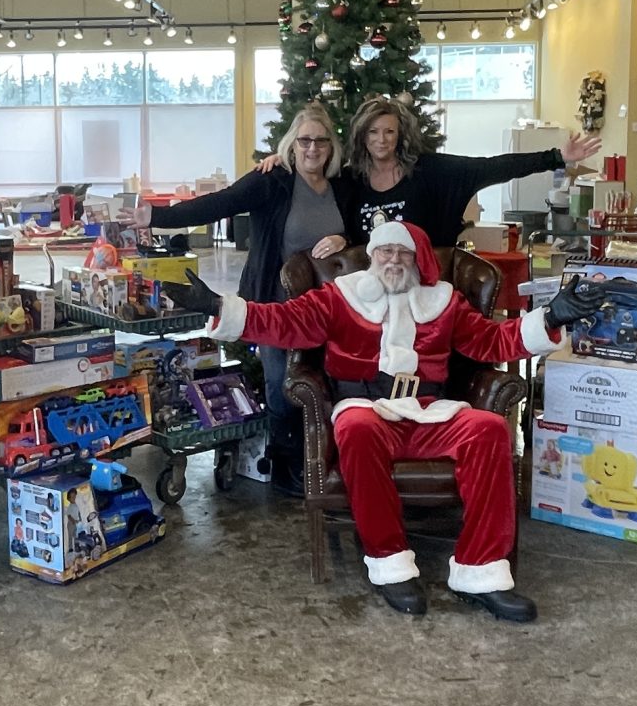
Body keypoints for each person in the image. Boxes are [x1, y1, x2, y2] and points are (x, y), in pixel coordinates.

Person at [162, 220, 605, 622]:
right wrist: (218, 306)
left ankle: (482, 572)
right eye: (384, 252)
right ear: (371, 256)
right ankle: (390, 563)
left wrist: (550, 318)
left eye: (403, 253)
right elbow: (282, 321)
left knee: (488, 430)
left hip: (430, 410)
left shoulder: (444, 302)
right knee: (355, 430)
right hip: (366, 408)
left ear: (417, 259)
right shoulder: (340, 296)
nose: (393, 261)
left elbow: (492, 340)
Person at [117, 103, 358, 496]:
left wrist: (345, 241)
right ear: (292, 145)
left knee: (324, 384)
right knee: (282, 384)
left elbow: (366, 231)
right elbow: (222, 202)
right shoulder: (274, 180)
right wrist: (156, 217)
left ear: (331, 147)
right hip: (274, 306)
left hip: (329, 308)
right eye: (304, 140)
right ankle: (286, 467)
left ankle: (323, 461)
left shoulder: (343, 187)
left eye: (320, 141)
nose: (313, 148)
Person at [259, 95, 602, 247]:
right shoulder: (349, 180)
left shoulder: (430, 171)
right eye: (373, 132)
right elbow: (311, 170)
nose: (382, 140)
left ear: (400, 134)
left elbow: (492, 167)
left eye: (389, 131)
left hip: (425, 289)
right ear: (362, 136)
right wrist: (281, 161)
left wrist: (556, 156)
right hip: (368, 294)